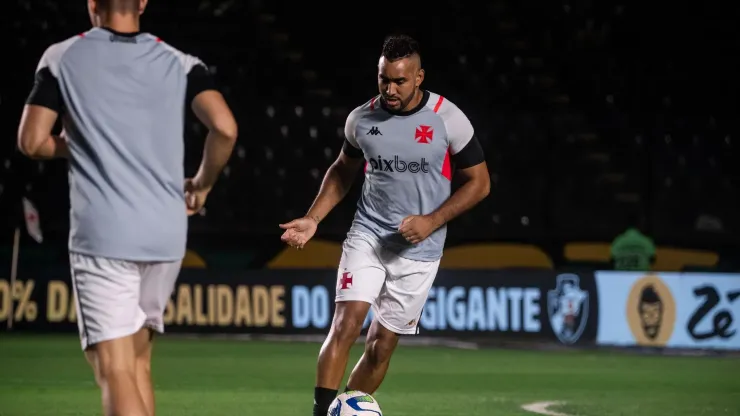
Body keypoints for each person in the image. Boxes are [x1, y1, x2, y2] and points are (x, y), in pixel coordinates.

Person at [17, 0, 237, 415]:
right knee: (138, 364)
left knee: (114, 370)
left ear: (92, 4)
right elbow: (225, 127)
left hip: (105, 234)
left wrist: (75, 145)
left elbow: (31, 141)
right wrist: (202, 186)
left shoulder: (63, 56)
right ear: (142, 3)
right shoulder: (181, 62)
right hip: (166, 234)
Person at [279, 34, 490, 416]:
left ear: (419, 76)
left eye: (400, 81)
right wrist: (313, 219)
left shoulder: (448, 119)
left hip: (420, 250)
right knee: (346, 323)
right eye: (384, 80)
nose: (390, 90)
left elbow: (480, 183)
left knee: (380, 348)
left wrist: (432, 220)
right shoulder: (362, 119)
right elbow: (342, 171)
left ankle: (344, 409)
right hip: (369, 234)